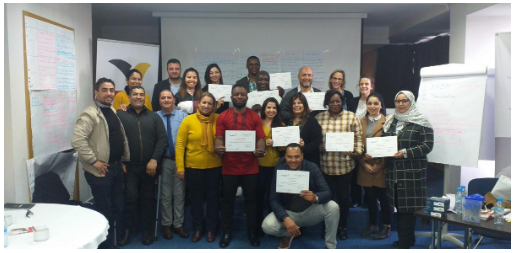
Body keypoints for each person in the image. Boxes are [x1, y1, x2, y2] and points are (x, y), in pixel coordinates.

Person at [71, 78, 130, 249]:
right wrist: (94, 161)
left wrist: (122, 160)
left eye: (112, 90)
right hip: (101, 171)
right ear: (96, 93)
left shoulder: (111, 110)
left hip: (116, 167)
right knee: (104, 210)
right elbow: (77, 140)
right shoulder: (90, 114)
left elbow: (117, 138)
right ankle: (105, 247)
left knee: (117, 207)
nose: (109, 93)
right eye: (104, 90)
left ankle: (113, 241)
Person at [214, 84, 266, 248]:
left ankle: (252, 233)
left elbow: (260, 139)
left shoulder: (254, 117)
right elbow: (219, 139)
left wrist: (261, 150)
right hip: (229, 167)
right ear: (231, 96)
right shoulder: (223, 116)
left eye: (242, 94)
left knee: (251, 201)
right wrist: (218, 148)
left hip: (250, 167)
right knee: (227, 202)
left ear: (247, 97)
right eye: (236, 94)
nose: (239, 97)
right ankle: (227, 233)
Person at [261, 143, 339, 249]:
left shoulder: (312, 167)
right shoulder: (279, 170)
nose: (293, 160)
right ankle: (288, 234)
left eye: (296, 157)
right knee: (267, 226)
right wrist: (285, 218)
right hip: (289, 213)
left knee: (333, 206)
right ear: (285, 156)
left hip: (310, 211)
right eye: (290, 157)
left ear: (302, 156)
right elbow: (274, 199)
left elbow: (327, 192)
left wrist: (315, 197)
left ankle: (330, 246)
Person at [117, 86, 168, 246]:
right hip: (129, 167)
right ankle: (127, 230)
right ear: (129, 97)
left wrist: (154, 160)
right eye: (135, 94)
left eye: (141, 94)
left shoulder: (154, 117)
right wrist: (120, 160)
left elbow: (162, 140)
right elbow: (113, 140)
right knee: (130, 198)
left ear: (145, 97)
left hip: (149, 167)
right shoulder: (120, 115)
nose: (138, 97)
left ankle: (147, 231)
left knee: (147, 200)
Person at [382, 90, 433, 249]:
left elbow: (427, 145)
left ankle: (405, 243)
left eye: (405, 101)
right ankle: (407, 239)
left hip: (412, 174)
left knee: (408, 210)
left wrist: (405, 153)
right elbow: (385, 142)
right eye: (398, 101)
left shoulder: (421, 121)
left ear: (411, 102)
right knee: (398, 207)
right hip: (393, 173)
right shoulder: (391, 121)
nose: (401, 104)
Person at [315, 89, 363, 240]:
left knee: (343, 200)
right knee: (326, 201)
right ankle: (327, 227)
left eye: (338, 101)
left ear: (342, 102)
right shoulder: (318, 118)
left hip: (345, 166)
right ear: (326, 103)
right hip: (326, 166)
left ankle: (342, 227)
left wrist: (357, 151)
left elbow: (359, 139)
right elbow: (314, 139)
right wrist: (318, 147)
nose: (335, 104)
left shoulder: (351, 117)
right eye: (331, 102)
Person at [175, 92, 222, 243]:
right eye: (204, 103)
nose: (206, 106)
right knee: (195, 200)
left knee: (213, 200)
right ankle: (197, 229)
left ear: (214, 106)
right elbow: (180, 145)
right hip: (193, 167)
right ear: (198, 104)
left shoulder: (219, 119)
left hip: (214, 167)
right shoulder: (188, 120)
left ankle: (211, 229)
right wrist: (180, 167)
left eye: (210, 103)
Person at [357, 92, 392, 240]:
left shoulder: (389, 122)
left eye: (375, 103)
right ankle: (373, 225)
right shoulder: (359, 122)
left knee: (384, 199)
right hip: (364, 167)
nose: (372, 106)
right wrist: (363, 163)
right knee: (369, 198)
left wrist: (380, 165)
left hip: (381, 167)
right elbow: (355, 144)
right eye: (369, 103)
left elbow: (390, 146)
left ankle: (387, 227)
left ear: (381, 105)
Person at [156, 89, 189, 240]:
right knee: (165, 195)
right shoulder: (154, 117)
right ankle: (167, 224)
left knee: (179, 194)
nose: (166, 100)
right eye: (163, 98)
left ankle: (178, 224)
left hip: (181, 161)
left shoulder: (183, 117)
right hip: (165, 160)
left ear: (174, 100)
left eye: (169, 97)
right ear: (159, 100)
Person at [347, 75, 379, 208]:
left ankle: (369, 199)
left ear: (371, 86)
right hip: (354, 139)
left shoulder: (376, 99)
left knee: (368, 169)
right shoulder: (352, 101)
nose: (364, 86)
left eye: (366, 84)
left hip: (370, 139)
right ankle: (355, 198)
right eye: (361, 84)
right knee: (355, 171)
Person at [256, 97, 285, 235]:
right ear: (264, 109)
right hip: (259, 165)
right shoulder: (256, 123)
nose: (271, 110)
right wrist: (263, 143)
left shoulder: (282, 125)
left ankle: (272, 225)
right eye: (268, 107)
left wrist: (278, 143)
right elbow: (250, 142)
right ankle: (259, 225)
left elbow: (285, 148)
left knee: (273, 197)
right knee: (259, 196)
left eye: (274, 108)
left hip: (275, 166)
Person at [287, 92, 322, 167]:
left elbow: (316, 142)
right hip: (290, 162)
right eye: (294, 103)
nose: (296, 105)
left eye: (299, 103)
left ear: (304, 105)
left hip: (308, 161)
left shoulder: (312, 121)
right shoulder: (287, 120)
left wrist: (303, 148)